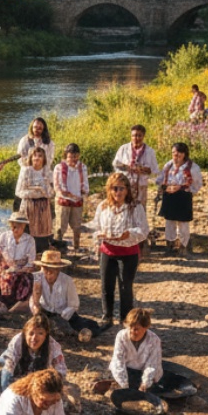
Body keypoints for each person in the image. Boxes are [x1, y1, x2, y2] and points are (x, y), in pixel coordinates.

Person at [88, 172, 148, 329]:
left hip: (128, 252)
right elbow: (95, 226)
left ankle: (125, 319)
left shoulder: (135, 207)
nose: (118, 192)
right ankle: (107, 317)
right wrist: (98, 235)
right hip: (107, 251)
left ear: (127, 189)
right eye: (114, 188)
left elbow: (143, 230)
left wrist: (129, 234)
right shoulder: (103, 206)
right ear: (109, 189)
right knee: (106, 286)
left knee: (125, 287)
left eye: (121, 188)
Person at [29, 249, 95, 338]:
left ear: (58, 269)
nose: (48, 273)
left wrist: (62, 317)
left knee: (85, 327)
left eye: (52, 270)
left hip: (64, 313)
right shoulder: (36, 278)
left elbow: (74, 304)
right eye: (45, 269)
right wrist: (35, 309)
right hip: (45, 312)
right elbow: (33, 300)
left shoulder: (67, 280)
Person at [0, 313, 67, 392]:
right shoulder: (17, 342)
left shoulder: (53, 346)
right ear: (25, 334)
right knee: (6, 368)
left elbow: (60, 370)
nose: (34, 338)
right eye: (31, 333)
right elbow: (9, 367)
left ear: (46, 335)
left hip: (39, 375)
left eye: (40, 333)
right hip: (18, 371)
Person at [157, 142, 203, 257]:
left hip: (183, 197)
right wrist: (165, 187)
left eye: (178, 154)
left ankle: (183, 248)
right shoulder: (168, 165)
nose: (175, 157)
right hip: (169, 197)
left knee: (183, 224)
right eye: (173, 154)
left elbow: (197, 184)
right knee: (169, 222)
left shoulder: (192, 168)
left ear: (184, 154)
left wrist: (181, 187)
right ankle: (169, 247)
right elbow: (160, 180)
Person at [113, 125, 158, 240]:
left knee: (140, 209)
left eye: (139, 135)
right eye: (134, 135)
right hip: (125, 185)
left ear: (143, 136)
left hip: (141, 185)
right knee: (124, 208)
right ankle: (123, 233)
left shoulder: (149, 151)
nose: (136, 138)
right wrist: (127, 167)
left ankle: (140, 237)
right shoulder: (123, 149)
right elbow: (116, 164)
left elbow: (154, 170)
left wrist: (142, 169)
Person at [0, 213, 35, 313]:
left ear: (23, 226)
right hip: (4, 268)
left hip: (22, 270)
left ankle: (15, 306)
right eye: (13, 226)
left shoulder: (30, 240)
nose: (14, 229)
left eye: (17, 227)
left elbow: (31, 261)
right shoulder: (4, 236)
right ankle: (0, 304)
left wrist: (19, 269)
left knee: (19, 280)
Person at [110, 307, 163, 392]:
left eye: (136, 329)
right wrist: (124, 385)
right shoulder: (121, 336)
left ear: (146, 327)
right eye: (130, 327)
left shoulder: (154, 340)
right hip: (127, 370)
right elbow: (118, 361)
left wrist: (145, 384)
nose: (131, 331)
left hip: (144, 371)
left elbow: (152, 364)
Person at [16, 147, 54, 253]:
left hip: (43, 207)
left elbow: (51, 193)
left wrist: (42, 190)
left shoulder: (47, 172)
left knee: (41, 239)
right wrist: (37, 191)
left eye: (40, 156)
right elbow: (19, 191)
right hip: (29, 205)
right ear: (31, 157)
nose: (37, 158)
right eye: (34, 155)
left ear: (44, 158)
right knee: (27, 235)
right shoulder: (25, 171)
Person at [53, 143, 88, 251]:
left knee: (77, 226)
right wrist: (68, 194)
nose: (73, 159)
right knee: (60, 227)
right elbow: (57, 186)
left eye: (75, 156)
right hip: (63, 200)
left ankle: (76, 248)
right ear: (66, 156)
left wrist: (84, 192)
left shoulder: (82, 167)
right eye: (70, 156)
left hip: (77, 201)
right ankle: (57, 248)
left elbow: (85, 183)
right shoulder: (59, 167)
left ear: (78, 155)